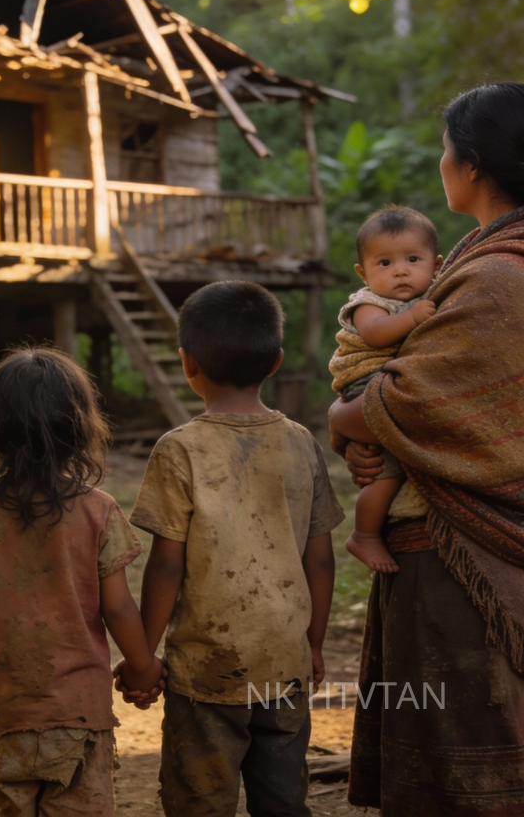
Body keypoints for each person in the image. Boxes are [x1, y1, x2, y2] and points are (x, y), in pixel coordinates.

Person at [330, 82, 524, 816]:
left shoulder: (495, 277)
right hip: (503, 542)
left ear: (473, 165)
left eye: (446, 149)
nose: (442, 161)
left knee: (463, 768)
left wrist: (348, 415)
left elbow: (404, 402)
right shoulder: (501, 259)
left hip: (463, 555)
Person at [0, 347, 163, 817]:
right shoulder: (99, 510)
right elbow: (119, 609)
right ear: (81, 427)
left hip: (0, 716)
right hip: (79, 713)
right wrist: (144, 667)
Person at [126, 281, 344, 817]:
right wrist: (312, 645)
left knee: (199, 800)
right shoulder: (300, 442)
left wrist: (144, 657)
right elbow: (320, 557)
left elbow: (166, 565)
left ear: (186, 362)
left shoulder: (180, 449)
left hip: (204, 670)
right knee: (283, 798)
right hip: (284, 663)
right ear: (275, 362)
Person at [328, 205, 442, 573]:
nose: (400, 271)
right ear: (363, 273)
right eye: (384, 263)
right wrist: (411, 317)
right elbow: (376, 334)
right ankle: (364, 534)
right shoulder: (368, 303)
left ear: (436, 265)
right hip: (365, 377)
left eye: (412, 259)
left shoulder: (435, 293)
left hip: (390, 377)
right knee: (387, 471)